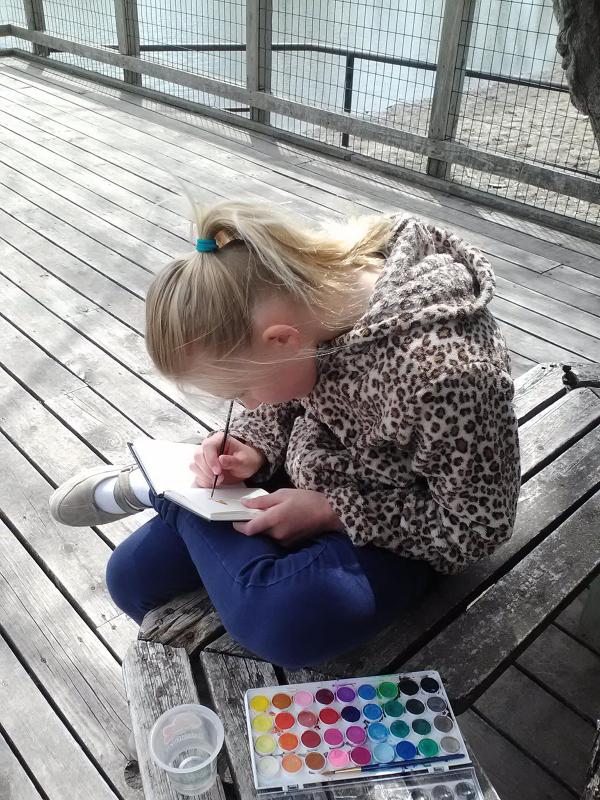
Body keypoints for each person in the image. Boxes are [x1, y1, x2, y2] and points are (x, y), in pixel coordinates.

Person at [49, 201, 520, 669]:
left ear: (281, 340)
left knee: (282, 621)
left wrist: (337, 512)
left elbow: (477, 525)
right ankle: (169, 492)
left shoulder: (447, 375)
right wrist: (253, 445)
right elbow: (289, 396)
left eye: (241, 389)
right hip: (309, 474)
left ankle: (159, 488)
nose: (248, 404)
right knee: (131, 578)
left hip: (396, 524)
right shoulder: (312, 309)